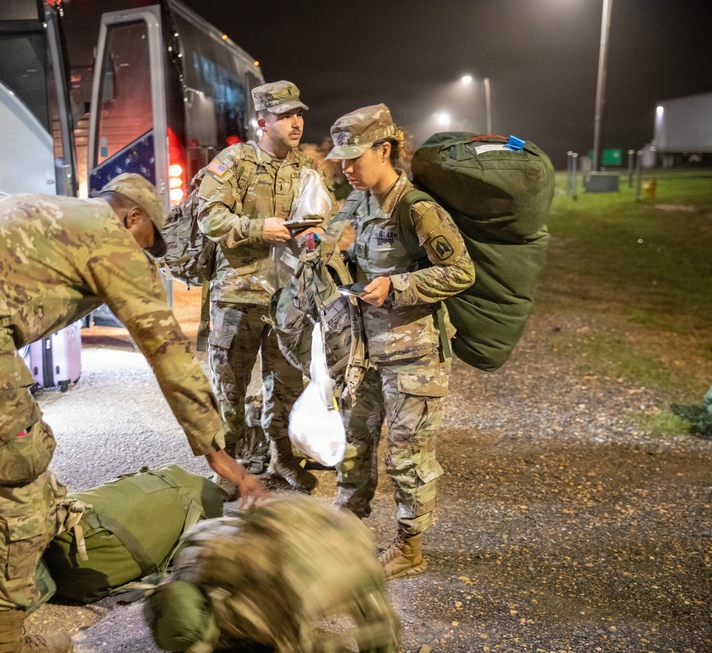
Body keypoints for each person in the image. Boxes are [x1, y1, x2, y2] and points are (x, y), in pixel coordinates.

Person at [0, 173, 266, 653]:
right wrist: (214, 449)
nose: (146, 254)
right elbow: (168, 352)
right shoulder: (110, 238)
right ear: (133, 216)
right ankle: (4, 645)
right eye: (148, 242)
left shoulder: (43, 210)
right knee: (22, 496)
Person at [323, 105, 475, 579]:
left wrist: (398, 286)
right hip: (365, 349)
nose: (346, 168)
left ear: (385, 150)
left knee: (408, 454)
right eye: (341, 160)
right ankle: (346, 528)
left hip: (414, 355)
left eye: (354, 158)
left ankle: (409, 547)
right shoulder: (361, 203)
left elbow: (461, 271)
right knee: (354, 440)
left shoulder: (418, 208)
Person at [196, 80, 325, 492]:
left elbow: (325, 223)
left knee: (286, 385)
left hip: (288, 297)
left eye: (298, 114)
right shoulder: (234, 162)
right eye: (285, 115)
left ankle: (282, 458)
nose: (295, 123)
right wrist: (257, 228)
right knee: (229, 389)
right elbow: (208, 217)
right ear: (262, 121)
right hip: (237, 296)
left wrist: (317, 236)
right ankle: (228, 467)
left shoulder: (307, 168)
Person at [143, 493, 402, 653]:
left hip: (337, 564)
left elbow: (292, 644)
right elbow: (229, 526)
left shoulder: (259, 613)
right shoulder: (191, 554)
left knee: (378, 630)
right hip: (319, 523)